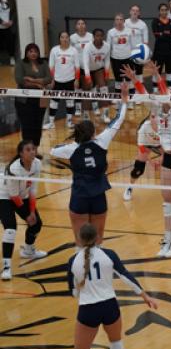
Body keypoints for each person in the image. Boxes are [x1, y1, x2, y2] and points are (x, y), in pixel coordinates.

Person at [68, 223, 157, 349]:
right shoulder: (109, 254)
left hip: (87, 309)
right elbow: (125, 276)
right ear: (98, 237)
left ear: (79, 240)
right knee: (115, 342)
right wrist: (145, 296)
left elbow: (74, 292)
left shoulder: (73, 261)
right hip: (110, 306)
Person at [123, 63, 171, 258]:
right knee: (167, 199)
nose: (164, 95)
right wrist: (134, 78)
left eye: (168, 93)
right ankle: (167, 239)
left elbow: (164, 91)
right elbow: (143, 92)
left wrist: (156, 74)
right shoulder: (155, 109)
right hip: (168, 159)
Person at [50, 83, 128, 246]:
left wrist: (73, 144)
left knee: (81, 239)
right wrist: (124, 100)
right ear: (93, 132)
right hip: (98, 195)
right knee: (98, 238)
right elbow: (118, 119)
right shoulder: (102, 141)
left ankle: (81, 267)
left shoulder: (71, 149)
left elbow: (53, 150)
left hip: (79, 195)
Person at [0, 140, 47, 280]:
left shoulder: (37, 164)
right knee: (10, 229)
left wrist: (31, 212)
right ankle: (7, 267)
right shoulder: (13, 169)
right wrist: (26, 215)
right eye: (28, 150)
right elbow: (13, 195)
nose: (32, 152)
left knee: (36, 223)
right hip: (4, 197)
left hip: (22, 195)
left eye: (33, 149)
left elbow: (32, 190)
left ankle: (28, 250)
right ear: (21, 153)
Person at [14, 43, 52, 149]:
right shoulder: (20, 63)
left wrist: (32, 80)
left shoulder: (43, 63)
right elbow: (20, 80)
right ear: (26, 53)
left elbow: (48, 78)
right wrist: (38, 84)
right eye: (31, 51)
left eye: (35, 51)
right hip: (24, 101)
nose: (33, 53)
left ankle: (35, 150)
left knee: (37, 124)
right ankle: (27, 149)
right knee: (27, 125)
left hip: (40, 99)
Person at [122, 104, 161, 202]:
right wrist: (151, 162)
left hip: (161, 145)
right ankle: (129, 187)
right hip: (146, 144)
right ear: (149, 117)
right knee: (138, 168)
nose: (154, 119)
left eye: (156, 117)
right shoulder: (144, 128)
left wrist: (160, 161)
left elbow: (168, 148)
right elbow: (142, 147)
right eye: (152, 117)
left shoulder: (166, 126)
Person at [44, 31, 80, 130]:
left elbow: (77, 66)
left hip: (70, 80)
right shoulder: (54, 50)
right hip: (57, 81)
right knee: (53, 102)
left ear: (69, 39)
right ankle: (51, 123)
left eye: (66, 37)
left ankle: (69, 122)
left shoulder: (74, 51)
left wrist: (76, 80)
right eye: (62, 37)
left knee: (70, 102)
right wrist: (52, 80)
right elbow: (51, 66)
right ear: (59, 39)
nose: (64, 39)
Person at [82, 28, 111, 123]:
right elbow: (85, 63)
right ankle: (86, 115)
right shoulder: (88, 46)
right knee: (87, 91)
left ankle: (105, 114)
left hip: (98, 69)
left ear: (103, 36)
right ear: (93, 37)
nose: (99, 37)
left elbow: (106, 60)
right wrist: (87, 77)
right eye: (97, 35)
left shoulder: (107, 46)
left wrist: (106, 73)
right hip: (86, 70)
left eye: (101, 35)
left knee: (104, 89)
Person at [107, 13, 134, 109]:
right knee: (118, 81)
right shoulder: (111, 32)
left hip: (128, 58)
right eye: (117, 19)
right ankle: (119, 101)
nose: (119, 21)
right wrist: (108, 61)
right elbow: (108, 47)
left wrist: (133, 58)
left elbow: (133, 45)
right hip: (115, 59)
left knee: (129, 80)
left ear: (123, 21)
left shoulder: (129, 31)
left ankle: (130, 101)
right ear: (115, 21)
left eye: (120, 19)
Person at [151, 2, 171, 92]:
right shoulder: (155, 22)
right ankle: (155, 90)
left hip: (170, 51)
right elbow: (157, 35)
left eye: (166, 10)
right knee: (157, 71)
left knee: (169, 71)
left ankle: (170, 89)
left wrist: (164, 33)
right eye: (162, 10)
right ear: (159, 11)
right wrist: (169, 33)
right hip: (158, 52)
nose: (164, 12)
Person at [70, 19, 93, 117]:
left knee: (88, 87)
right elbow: (70, 51)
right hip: (77, 66)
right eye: (78, 24)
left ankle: (88, 108)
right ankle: (78, 107)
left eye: (83, 23)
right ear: (76, 26)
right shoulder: (72, 38)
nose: (81, 25)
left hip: (88, 66)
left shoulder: (91, 36)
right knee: (77, 87)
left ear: (85, 26)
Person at [125, 4, 149, 89]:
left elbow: (145, 42)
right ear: (130, 12)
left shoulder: (143, 25)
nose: (135, 12)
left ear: (139, 13)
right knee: (130, 73)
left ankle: (140, 92)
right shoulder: (125, 23)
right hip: (128, 52)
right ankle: (131, 93)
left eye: (137, 11)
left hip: (139, 53)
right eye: (133, 10)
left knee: (139, 73)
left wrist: (144, 55)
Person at [0, 0, 17, 66]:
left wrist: (11, 21)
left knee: (10, 42)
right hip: (0, 25)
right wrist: (1, 22)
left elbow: (13, 11)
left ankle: (11, 58)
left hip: (9, 26)